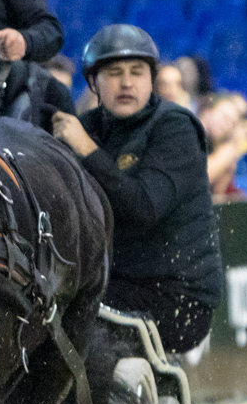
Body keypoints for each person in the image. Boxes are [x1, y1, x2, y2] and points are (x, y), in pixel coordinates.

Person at [50, 24, 223, 353]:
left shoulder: (175, 127)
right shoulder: (86, 128)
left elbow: (144, 207)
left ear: (151, 80)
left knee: (79, 339)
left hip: (175, 296)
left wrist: (87, 150)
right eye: (114, 72)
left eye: (137, 72)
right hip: (110, 285)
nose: (126, 82)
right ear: (93, 83)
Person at [199, 91, 247, 196]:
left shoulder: (213, 146)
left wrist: (233, 157)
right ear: (207, 111)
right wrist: (232, 147)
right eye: (224, 116)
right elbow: (199, 178)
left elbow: (217, 194)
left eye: (232, 123)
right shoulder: (188, 133)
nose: (226, 125)